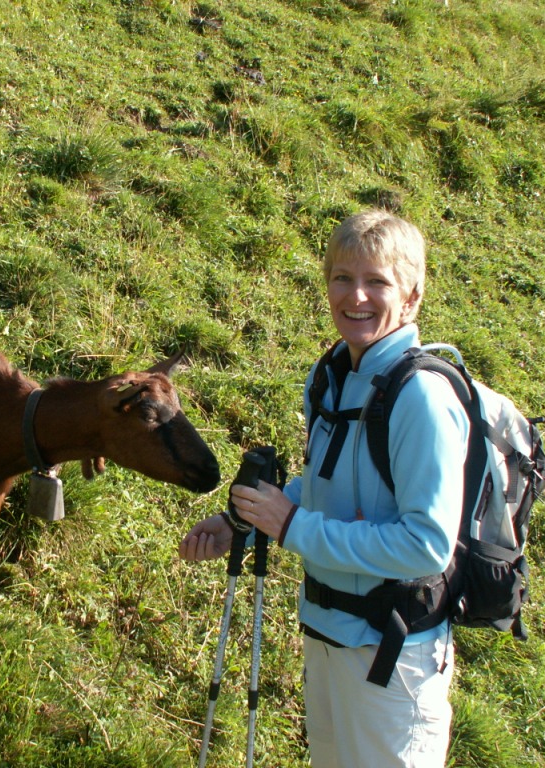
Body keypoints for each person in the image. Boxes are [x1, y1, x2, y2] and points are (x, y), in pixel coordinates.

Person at [179, 209, 469, 768]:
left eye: (377, 281)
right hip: (327, 633)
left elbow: (427, 545)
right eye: (342, 277)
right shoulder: (332, 375)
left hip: (393, 654)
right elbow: (323, 485)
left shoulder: (422, 399)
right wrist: (241, 521)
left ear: (410, 297)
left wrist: (291, 526)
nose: (356, 295)